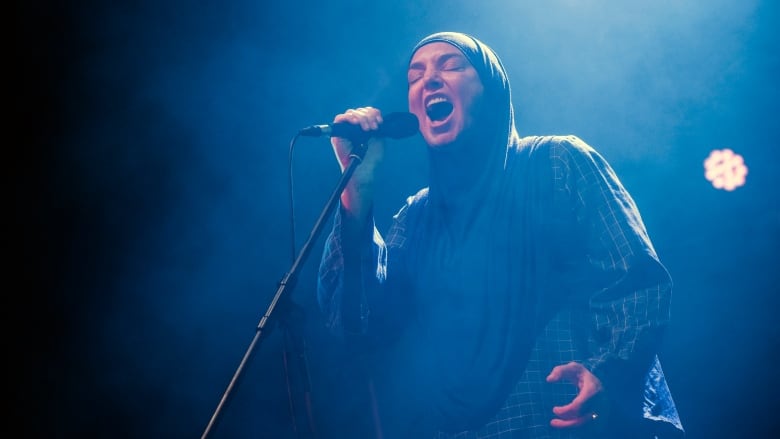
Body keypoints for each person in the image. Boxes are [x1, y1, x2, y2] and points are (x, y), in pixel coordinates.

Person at [316, 31, 685, 438]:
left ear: (491, 91)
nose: (429, 80)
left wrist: (611, 373)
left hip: (568, 420)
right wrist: (359, 185)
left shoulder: (557, 163)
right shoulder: (418, 216)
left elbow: (636, 279)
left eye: (451, 65)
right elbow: (358, 320)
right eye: (415, 76)